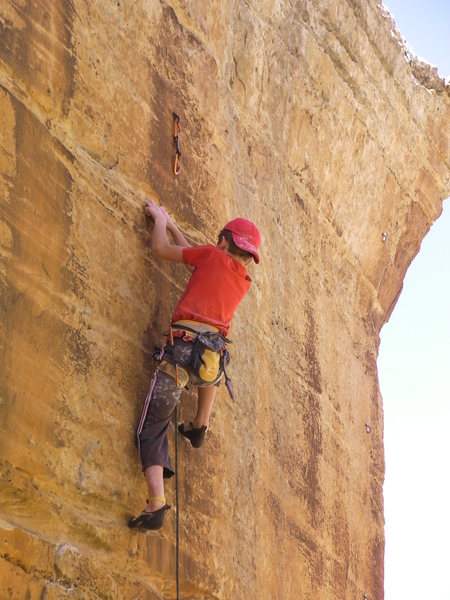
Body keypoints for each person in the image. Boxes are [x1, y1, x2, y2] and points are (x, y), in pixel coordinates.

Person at [128, 198, 261, 531]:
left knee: (153, 426)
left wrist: (159, 219)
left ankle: (156, 502)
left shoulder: (211, 256)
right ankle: (199, 424)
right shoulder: (242, 280)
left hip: (181, 354)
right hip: (209, 359)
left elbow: (161, 249)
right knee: (211, 373)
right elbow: (198, 263)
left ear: (222, 241)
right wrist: (175, 226)